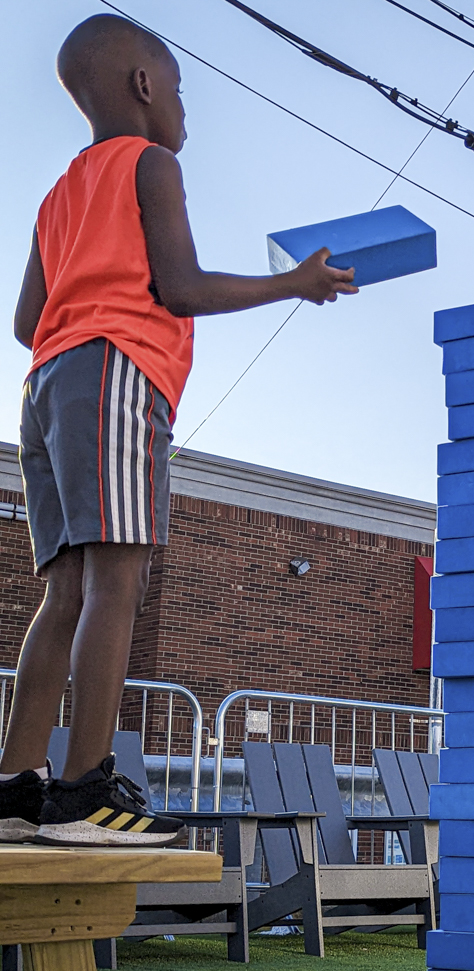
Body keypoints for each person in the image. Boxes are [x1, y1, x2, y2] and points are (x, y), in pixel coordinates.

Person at [0, 14, 357, 847]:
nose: (187, 115)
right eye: (182, 92)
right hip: (118, 374)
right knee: (120, 580)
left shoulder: (59, 193)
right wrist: (293, 282)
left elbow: (26, 320)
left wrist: (83, 309)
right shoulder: (150, 164)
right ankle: (85, 788)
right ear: (144, 85)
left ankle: (16, 787)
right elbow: (183, 286)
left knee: (67, 591)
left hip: (46, 382)